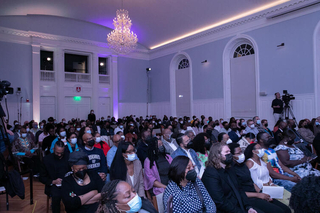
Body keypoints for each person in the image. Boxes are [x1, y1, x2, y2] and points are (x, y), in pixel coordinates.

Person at [228, 143, 291, 213]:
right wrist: (258, 195)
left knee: (286, 209)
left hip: (257, 192)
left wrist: (262, 193)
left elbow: (252, 182)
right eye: (238, 153)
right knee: (279, 211)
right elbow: (238, 192)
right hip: (249, 198)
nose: (241, 154)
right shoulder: (232, 170)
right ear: (232, 156)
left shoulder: (242, 165)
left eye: (241, 152)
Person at [202, 142, 257, 213]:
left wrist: (248, 207)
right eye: (226, 152)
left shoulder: (230, 168)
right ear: (218, 155)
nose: (230, 154)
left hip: (240, 207)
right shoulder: (211, 174)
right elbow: (220, 201)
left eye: (230, 151)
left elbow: (239, 189)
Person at [40, 140, 70, 213]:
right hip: (53, 185)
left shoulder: (68, 157)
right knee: (56, 197)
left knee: (73, 196)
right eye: (57, 153)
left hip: (68, 183)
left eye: (61, 153)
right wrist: (53, 181)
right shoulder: (46, 160)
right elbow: (42, 177)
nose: (59, 155)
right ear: (53, 149)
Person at [144, 137, 172, 213]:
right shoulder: (149, 161)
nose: (162, 146)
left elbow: (174, 171)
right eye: (159, 145)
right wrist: (165, 187)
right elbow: (151, 179)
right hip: (159, 188)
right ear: (154, 147)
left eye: (162, 144)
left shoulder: (167, 157)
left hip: (171, 185)